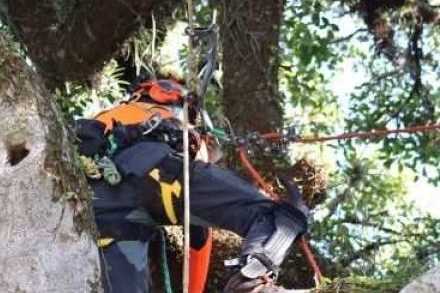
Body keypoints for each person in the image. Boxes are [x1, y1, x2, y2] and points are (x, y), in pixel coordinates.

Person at [75, 78, 309, 293]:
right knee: (279, 216)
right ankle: (254, 278)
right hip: (159, 174)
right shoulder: (152, 114)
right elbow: (199, 243)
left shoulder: (112, 116)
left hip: (108, 210)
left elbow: (84, 138)